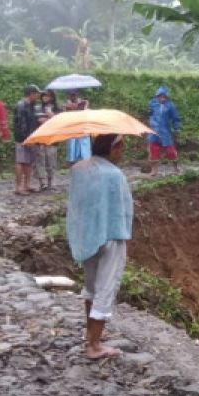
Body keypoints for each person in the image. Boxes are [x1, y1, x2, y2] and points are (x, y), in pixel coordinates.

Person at [67, 134, 133, 360]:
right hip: (110, 235)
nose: (122, 151)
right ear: (114, 147)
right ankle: (94, 345)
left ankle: (90, 337)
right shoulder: (115, 174)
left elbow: (85, 201)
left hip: (87, 235)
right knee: (105, 288)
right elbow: (120, 207)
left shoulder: (79, 169)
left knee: (91, 287)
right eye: (121, 146)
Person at [146, 85, 182, 176]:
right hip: (154, 132)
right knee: (154, 150)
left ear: (166, 97)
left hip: (165, 131)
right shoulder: (152, 104)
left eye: (164, 96)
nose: (162, 98)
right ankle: (154, 171)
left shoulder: (170, 106)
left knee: (170, 151)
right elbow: (150, 114)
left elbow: (175, 118)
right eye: (160, 96)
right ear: (157, 96)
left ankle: (176, 168)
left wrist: (177, 128)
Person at [13, 84, 41, 195]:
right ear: (31, 94)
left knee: (28, 162)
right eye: (36, 94)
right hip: (22, 138)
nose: (38, 96)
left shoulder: (31, 106)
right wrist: (25, 139)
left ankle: (27, 185)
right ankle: (18, 187)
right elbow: (20, 125)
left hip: (31, 138)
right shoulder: (21, 106)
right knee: (20, 162)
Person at [34, 89, 59, 190]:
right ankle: (42, 182)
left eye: (47, 96)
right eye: (43, 95)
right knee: (40, 160)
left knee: (51, 160)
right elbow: (35, 120)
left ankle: (51, 181)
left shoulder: (57, 109)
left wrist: (51, 116)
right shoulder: (37, 108)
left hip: (52, 138)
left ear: (52, 97)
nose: (45, 97)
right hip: (40, 137)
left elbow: (59, 122)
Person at [63, 89, 91, 164]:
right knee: (72, 152)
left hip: (82, 129)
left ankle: (85, 165)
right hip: (72, 130)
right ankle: (72, 164)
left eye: (74, 94)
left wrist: (78, 106)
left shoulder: (84, 102)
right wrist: (68, 107)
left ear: (77, 94)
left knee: (84, 152)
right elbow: (65, 117)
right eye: (71, 95)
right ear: (68, 95)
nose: (73, 96)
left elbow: (86, 114)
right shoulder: (66, 105)